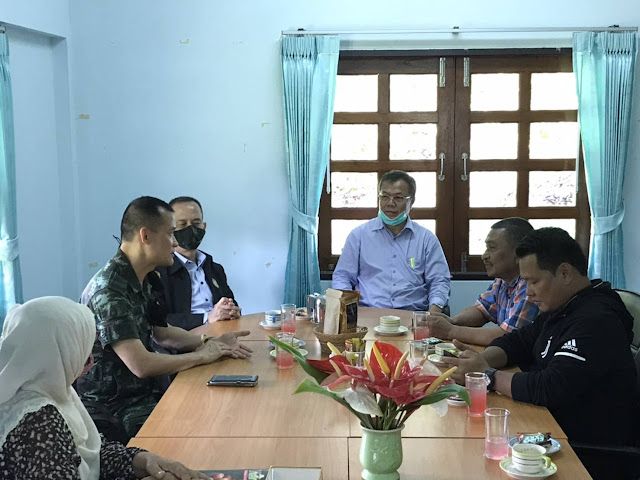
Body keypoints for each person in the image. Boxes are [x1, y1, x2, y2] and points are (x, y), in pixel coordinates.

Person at [442, 228, 637, 452]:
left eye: (534, 282)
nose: (529, 292)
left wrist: (488, 376)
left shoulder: (597, 320)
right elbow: (519, 341)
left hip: (585, 447)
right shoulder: (563, 306)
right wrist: (479, 362)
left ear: (564, 273)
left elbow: (550, 386)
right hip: (549, 426)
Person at [77, 196, 252, 438]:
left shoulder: (142, 277)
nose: (175, 242)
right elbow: (141, 365)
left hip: (146, 393)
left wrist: (210, 342)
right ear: (145, 236)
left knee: (225, 410)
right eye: (171, 233)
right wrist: (202, 356)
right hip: (115, 408)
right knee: (206, 427)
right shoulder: (110, 291)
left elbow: (163, 333)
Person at [0, 296, 211, 480]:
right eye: (82, 352)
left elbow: (97, 454)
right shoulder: (36, 419)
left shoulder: (52, 387)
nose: (91, 361)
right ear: (59, 352)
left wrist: (143, 459)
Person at [332, 170, 450, 313]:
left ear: (411, 201)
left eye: (398, 198)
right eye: (385, 197)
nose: (390, 203)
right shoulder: (359, 236)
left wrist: (433, 313)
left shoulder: (426, 239)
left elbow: (439, 281)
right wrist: (348, 311)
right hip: (368, 314)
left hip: (412, 315)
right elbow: (343, 276)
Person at [427, 218, 539, 345]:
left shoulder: (529, 286)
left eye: (492, 248)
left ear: (518, 253)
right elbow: (482, 310)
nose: (484, 256)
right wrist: (452, 321)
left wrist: (450, 331)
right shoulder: (502, 281)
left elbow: (509, 336)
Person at [155, 196, 240, 331]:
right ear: (170, 229)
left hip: (223, 333)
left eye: (196, 223)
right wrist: (207, 318)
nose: (190, 229)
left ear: (204, 227)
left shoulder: (215, 268)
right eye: (182, 224)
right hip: (185, 339)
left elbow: (232, 304)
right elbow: (158, 321)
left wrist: (231, 310)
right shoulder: (157, 272)